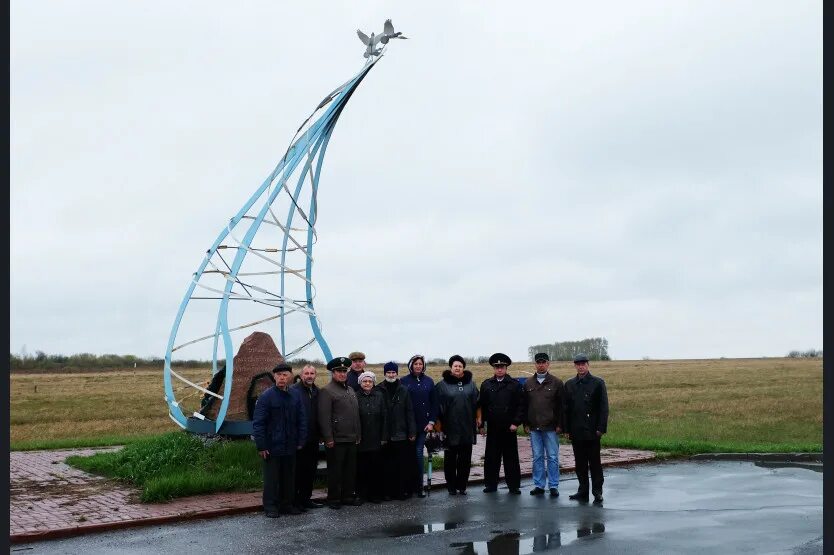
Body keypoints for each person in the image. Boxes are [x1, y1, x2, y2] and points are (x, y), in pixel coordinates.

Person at [252, 362, 308, 518]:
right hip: (272, 445)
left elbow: (302, 419)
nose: (282, 378)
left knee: (288, 477)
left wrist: (301, 440)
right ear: (274, 377)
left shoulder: (295, 396)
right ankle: (271, 506)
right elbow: (258, 423)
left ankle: (287, 504)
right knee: (272, 478)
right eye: (279, 375)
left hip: (290, 444)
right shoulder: (266, 397)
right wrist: (261, 446)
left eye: (285, 375)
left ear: (289, 377)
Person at [563, 353, 609, 504]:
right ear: (575, 366)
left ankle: (597, 491)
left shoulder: (597, 383)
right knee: (580, 463)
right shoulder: (569, 384)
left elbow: (603, 408)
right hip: (576, 431)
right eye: (578, 364)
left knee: (595, 463)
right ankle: (583, 490)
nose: (581, 366)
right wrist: (566, 429)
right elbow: (566, 409)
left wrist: (601, 428)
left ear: (588, 365)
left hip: (592, 430)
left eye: (583, 364)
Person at [318, 356, 362, 509]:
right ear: (333, 373)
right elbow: (324, 417)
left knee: (350, 471)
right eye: (339, 371)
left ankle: (348, 496)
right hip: (336, 440)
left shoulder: (350, 390)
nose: (342, 374)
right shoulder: (327, 391)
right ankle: (334, 499)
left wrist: (358, 435)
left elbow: (355, 415)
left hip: (351, 438)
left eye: (344, 371)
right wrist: (328, 438)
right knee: (336, 471)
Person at [478, 352, 525, 495]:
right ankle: (491, 484)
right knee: (492, 457)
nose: (499, 369)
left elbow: (521, 406)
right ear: (493, 368)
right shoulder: (486, 384)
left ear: (506, 368)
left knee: (511, 458)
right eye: (497, 367)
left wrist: (516, 423)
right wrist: (481, 426)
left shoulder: (514, 385)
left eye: (502, 367)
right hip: (493, 427)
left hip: (509, 428)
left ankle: (513, 485)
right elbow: (482, 406)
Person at [434, 355, 479, 495]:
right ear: (451, 367)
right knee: (450, 460)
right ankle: (451, 486)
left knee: (465, 460)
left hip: (467, 427)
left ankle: (462, 486)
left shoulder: (470, 384)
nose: (457, 368)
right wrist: (438, 425)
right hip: (449, 427)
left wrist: (479, 418)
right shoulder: (442, 385)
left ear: (463, 368)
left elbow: (477, 403)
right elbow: (436, 407)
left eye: (460, 366)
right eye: (455, 366)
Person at [523, 352, 565, 497]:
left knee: (553, 457)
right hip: (534, 427)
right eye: (538, 362)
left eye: (543, 362)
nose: (541, 365)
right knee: (537, 457)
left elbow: (561, 406)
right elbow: (525, 405)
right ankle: (539, 485)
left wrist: (560, 424)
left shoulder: (557, 383)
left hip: (551, 427)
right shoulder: (528, 383)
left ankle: (553, 485)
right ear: (535, 364)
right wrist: (526, 423)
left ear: (548, 364)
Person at [400, 354, 439, 498]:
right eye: (415, 364)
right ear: (411, 365)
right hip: (408, 426)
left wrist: (431, 422)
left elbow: (434, 403)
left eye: (420, 364)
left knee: (418, 454)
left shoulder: (429, 381)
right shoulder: (403, 381)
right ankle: (407, 487)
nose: (418, 366)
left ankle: (419, 486)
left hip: (423, 426)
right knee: (408, 456)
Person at [378, 362, 417, 500]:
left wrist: (412, 432)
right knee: (387, 466)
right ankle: (387, 492)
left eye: (393, 372)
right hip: (385, 434)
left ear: (397, 373)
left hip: (401, 433)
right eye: (388, 372)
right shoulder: (379, 389)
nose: (391, 375)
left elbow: (409, 412)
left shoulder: (403, 390)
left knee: (401, 466)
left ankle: (401, 491)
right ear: (384, 374)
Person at [290, 364, 324, 510]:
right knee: (298, 471)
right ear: (301, 375)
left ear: (315, 375)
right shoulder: (294, 391)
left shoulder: (318, 391)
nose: (309, 376)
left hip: (313, 438)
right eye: (306, 373)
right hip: (299, 439)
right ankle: (296, 500)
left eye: (312, 373)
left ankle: (306, 498)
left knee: (310, 471)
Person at [355, 371, 388, 504]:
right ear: (360, 383)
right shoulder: (355, 396)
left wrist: (384, 436)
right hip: (361, 439)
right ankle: (361, 494)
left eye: (370, 381)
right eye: (364, 381)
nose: (367, 383)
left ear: (373, 383)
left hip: (376, 438)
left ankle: (375, 494)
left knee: (375, 468)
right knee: (362, 468)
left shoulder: (379, 396)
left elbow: (385, 417)